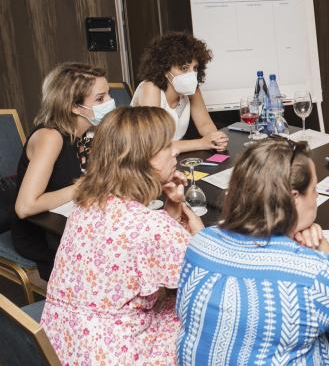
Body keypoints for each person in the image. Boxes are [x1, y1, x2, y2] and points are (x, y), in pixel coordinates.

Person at [176, 137, 329, 365]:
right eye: (314, 190)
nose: (316, 197)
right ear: (294, 199)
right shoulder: (314, 275)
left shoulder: (199, 243)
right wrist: (322, 246)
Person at [40, 107, 204, 365]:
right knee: (199, 316)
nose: (176, 151)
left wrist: (171, 211)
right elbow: (210, 279)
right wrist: (199, 232)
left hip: (61, 344)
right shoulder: (153, 228)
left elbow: (137, 250)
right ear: (142, 158)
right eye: (166, 146)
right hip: (117, 354)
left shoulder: (85, 207)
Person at [13, 62, 114, 280]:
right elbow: (25, 207)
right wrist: (80, 187)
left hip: (71, 217)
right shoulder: (51, 137)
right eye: (100, 99)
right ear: (75, 107)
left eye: (108, 95)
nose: (109, 103)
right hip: (43, 232)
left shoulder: (87, 132)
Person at [132, 32, 228, 153]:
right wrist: (202, 143)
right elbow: (153, 144)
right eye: (184, 68)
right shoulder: (150, 88)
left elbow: (205, 124)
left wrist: (215, 139)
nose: (192, 75)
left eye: (195, 68)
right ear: (165, 69)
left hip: (172, 158)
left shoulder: (192, 88)